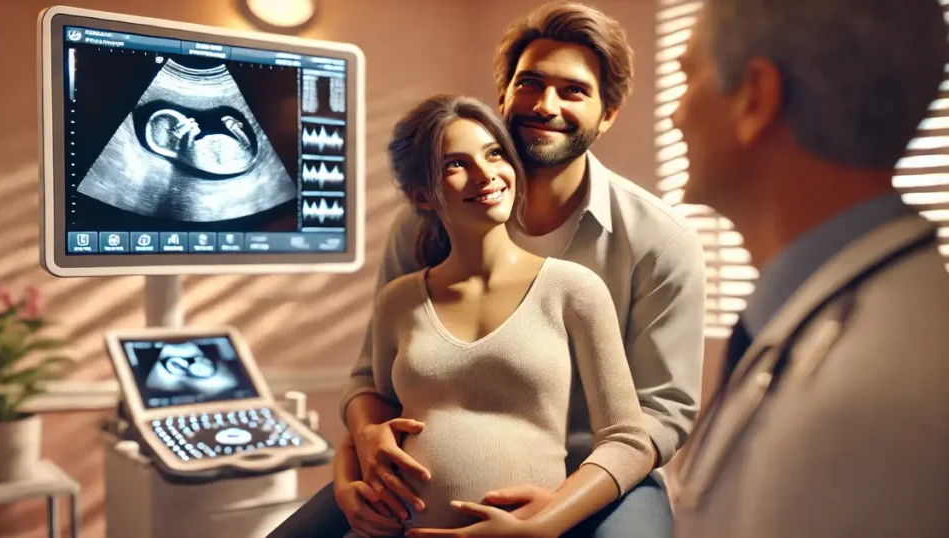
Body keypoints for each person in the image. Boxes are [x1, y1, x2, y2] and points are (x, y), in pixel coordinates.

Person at [268, 2, 706, 537]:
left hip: (605, 470)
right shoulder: (425, 225)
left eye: (574, 90)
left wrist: (557, 509)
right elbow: (371, 379)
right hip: (416, 474)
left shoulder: (658, 242)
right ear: (503, 96)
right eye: (530, 83)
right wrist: (363, 442)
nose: (546, 105)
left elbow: (660, 415)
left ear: (607, 114)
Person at [669, 0, 949, 536]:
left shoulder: (873, 405)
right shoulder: (824, 317)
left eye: (689, 75)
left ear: (755, 97)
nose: (678, 113)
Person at [331, 93, 655, 537]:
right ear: (422, 196)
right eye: (455, 165)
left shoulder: (572, 290)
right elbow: (373, 417)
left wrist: (544, 525)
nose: (486, 175)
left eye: (494, 153)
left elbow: (629, 441)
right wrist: (344, 484)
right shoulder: (399, 300)